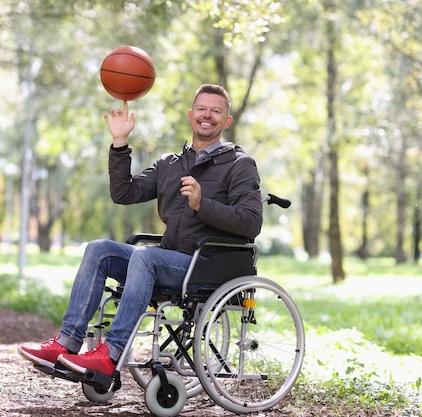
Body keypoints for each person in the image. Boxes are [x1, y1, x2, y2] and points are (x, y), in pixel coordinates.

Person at [18, 84, 262, 377]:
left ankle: (110, 354)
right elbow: (124, 193)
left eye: (215, 111)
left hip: (209, 265)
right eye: (201, 109)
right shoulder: (171, 164)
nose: (206, 115)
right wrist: (120, 143)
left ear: (227, 121)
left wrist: (202, 204)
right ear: (190, 115)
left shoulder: (239, 164)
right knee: (98, 250)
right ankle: (67, 343)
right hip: (169, 259)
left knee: (146, 256)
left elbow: (251, 222)